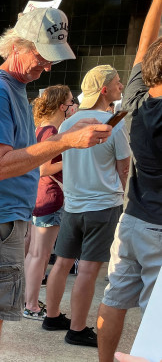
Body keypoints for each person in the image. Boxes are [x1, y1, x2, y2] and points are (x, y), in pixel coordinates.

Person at [0, 7, 112, 362]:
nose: (47, 66)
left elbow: (12, 158)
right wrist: (65, 142)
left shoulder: (8, 87)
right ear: (16, 46)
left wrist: (65, 139)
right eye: (42, 56)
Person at [98, 0, 162, 360]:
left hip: (133, 220)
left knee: (115, 296)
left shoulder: (136, 102)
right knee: (157, 316)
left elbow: (141, 50)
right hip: (158, 229)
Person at [44, 65, 130, 348]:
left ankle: (52, 316)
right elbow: (123, 168)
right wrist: (118, 191)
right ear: (104, 89)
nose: (121, 86)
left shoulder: (67, 124)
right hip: (102, 206)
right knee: (88, 270)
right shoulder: (112, 124)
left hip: (73, 204)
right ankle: (78, 329)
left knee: (62, 262)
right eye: (118, 83)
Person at [22, 85, 75, 320]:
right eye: (71, 102)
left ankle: (28, 300)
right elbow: (44, 168)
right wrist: (71, 157)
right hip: (49, 196)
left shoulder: (40, 128)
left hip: (38, 197)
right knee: (39, 255)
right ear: (61, 105)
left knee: (34, 254)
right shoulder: (52, 131)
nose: (73, 106)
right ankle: (31, 304)